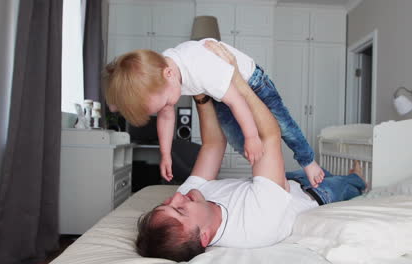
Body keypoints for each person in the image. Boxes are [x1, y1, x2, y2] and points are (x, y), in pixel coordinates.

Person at [135, 42, 366, 262]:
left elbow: (213, 144)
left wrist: (200, 92)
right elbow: (269, 136)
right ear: (204, 236)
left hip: (283, 182)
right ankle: (357, 177)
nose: (176, 196)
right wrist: (236, 78)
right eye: (180, 210)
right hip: (314, 194)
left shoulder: (189, 194)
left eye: (166, 203)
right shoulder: (255, 224)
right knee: (348, 184)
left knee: (318, 170)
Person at [103, 38, 324, 189]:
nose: (167, 107)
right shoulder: (159, 76)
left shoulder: (201, 68)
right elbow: (166, 115)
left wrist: (252, 135)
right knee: (242, 143)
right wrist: (166, 153)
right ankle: (275, 174)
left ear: (169, 74)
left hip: (250, 83)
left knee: (282, 126)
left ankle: (308, 161)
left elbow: (237, 101)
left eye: (165, 102)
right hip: (219, 93)